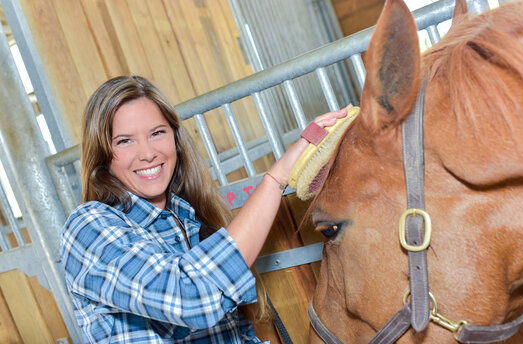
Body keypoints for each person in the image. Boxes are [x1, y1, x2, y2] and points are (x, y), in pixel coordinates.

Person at [61, 75, 350, 343]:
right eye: (125, 141)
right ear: (103, 154)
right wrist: (276, 177)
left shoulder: (189, 219)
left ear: (175, 137)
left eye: (157, 133)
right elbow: (192, 297)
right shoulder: (89, 228)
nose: (148, 153)